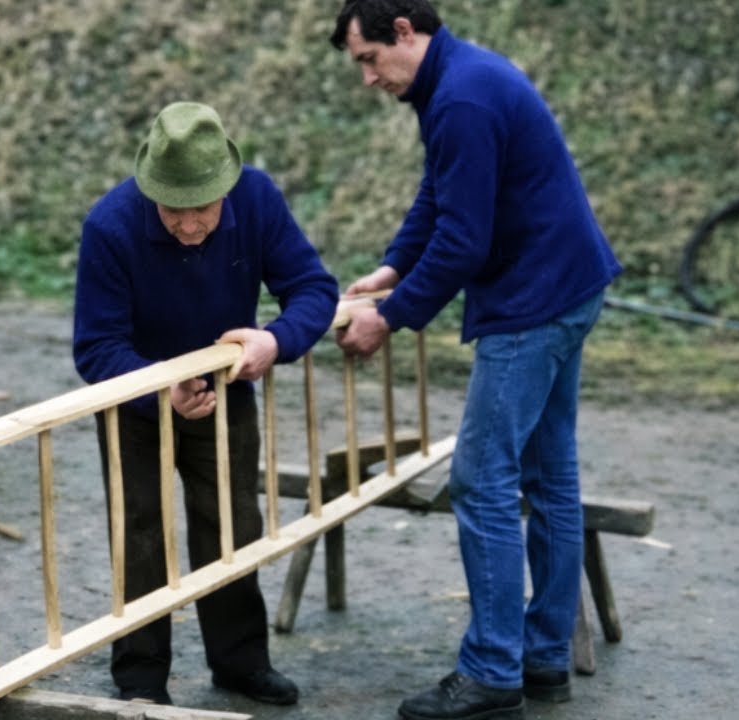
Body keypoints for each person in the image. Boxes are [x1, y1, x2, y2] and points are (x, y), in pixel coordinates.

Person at [328, 2, 622, 719]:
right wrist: (394, 266)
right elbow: (443, 191)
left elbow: (463, 240)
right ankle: (543, 652)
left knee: (480, 477)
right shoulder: (457, 79)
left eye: (370, 58)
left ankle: (493, 670)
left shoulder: (458, 95)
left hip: (535, 301)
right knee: (549, 473)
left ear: (404, 31)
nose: (368, 78)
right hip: (568, 283)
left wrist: (388, 320)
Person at [73, 101, 339, 707]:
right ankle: (140, 675)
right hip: (135, 400)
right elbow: (96, 347)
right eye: (174, 210)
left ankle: (240, 661)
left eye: (203, 209)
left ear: (227, 186)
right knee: (138, 529)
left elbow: (313, 289)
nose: (190, 226)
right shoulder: (110, 226)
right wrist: (157, 387)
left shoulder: (258, 199)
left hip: (226, 392)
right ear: (150, 191)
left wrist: (275, 340)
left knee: (233, 524)